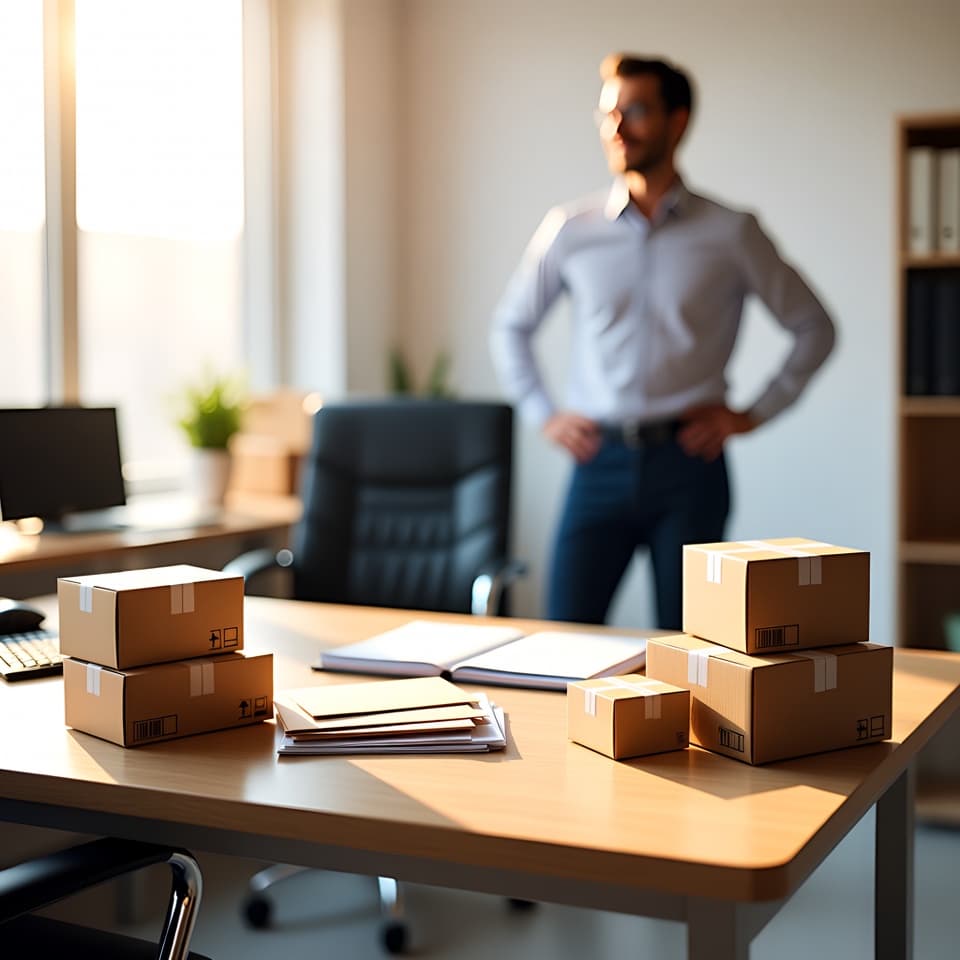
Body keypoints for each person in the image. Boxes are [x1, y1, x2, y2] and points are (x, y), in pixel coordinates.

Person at [489, 53, 835, 630]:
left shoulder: (731, 232)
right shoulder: (570, 230)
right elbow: (511, 325)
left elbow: (815, 327)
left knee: (693, 652)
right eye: (608, 113)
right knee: (563, 642)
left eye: (637, 110)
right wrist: (545, 414)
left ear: (678, 122)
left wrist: (750, 416)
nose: (617, 127)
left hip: (690, 467)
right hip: (597, 461)